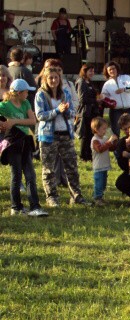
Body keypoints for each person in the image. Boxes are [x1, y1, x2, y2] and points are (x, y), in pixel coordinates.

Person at [35, 66, 89, 207]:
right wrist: (57, 111)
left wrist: (66, 111)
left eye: (56, 77)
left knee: (72, 167)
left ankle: (76, 196)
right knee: (49, 169)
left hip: (65, 134)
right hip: (49, 136)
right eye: (50, 78)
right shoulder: (41, 95)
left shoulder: (65, 93)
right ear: (45, 79)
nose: (53, 80)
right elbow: (40, 115)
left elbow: (73, 113)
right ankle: (51, 197)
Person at [0, 79, 48, 217]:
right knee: (16, 175)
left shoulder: (26, 103)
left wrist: (14, 121)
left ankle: (35, 206)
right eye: (26, 92)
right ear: (19, 92)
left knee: (30, 175)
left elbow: (32, 120)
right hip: (13, 142)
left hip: (26, 141)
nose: (28, 94)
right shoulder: (5, 105)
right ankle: (16, 207)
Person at [75, 64, 104, 161]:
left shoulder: (90, 82)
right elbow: (82, 99)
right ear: (84, 71)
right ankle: (83, 156)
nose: (92, 73)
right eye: (90, 71)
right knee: (85, 134)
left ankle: (89, 155)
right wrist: (96, 100)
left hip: (92, 112)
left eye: (93, 71)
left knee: (91, 134)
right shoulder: (81, 82)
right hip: (85, 112)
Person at [101, 61, 130, 137]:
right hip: (115, 110)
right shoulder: (107, 84)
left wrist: (124, 89)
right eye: (109, 70)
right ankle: (117, 144)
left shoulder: (125, 77)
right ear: (107, 72)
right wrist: (105, 100)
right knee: (115, 131)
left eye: (113, 68)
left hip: (129, 108)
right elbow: (104, 97)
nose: (112, 71)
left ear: (117, 68)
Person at [90, 117, 117, 206]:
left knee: (103, 183)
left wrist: (114, 141)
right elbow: (100, 149)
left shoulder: (105, 138)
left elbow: (111, 148)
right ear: (96, 129)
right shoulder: (95, 140)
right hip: (98, 166)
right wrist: (109, 141)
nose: (105, 131)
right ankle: (97, 198)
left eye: (106, 128)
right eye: (103, 129)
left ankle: (100, 197)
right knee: (99, 182)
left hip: (104, 165)